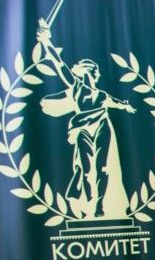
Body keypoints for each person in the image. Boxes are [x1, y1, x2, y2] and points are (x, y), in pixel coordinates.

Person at [37, 20, 134, 219]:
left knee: (102, 168)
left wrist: (126, 105)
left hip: (101, 127)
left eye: (87, 70)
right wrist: (46, 41)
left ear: (91, 72)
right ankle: (89, 204)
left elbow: (118, 103)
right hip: (82, 130)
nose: (84, 72)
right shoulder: (76, 88)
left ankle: (99, 206)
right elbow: (59, 64)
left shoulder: (102, 95)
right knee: (87, 169)